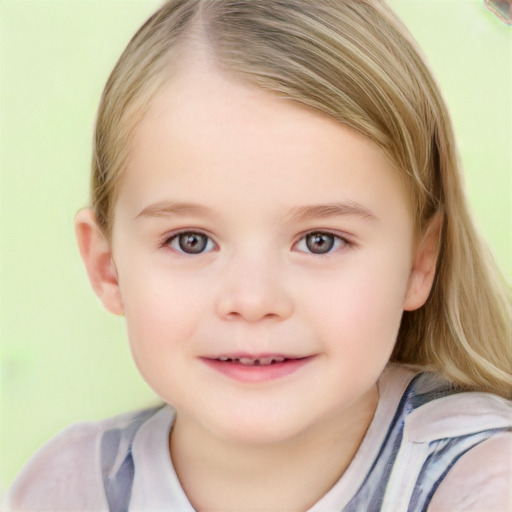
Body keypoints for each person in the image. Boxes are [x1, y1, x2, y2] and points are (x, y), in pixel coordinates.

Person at [8, 1, 512, 511]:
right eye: (191, 241)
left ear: (419, 262)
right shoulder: (68, 489)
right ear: (106, 266)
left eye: (321, 240)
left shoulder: (484, 484)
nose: (252, 300)